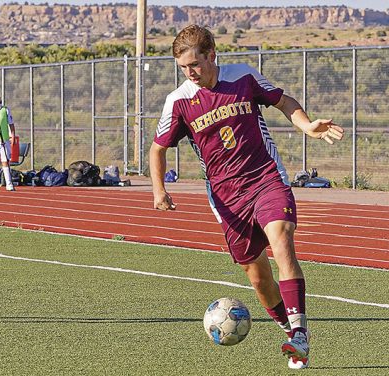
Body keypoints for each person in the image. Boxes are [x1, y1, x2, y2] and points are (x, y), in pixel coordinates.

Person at [150, 25, 344, 369]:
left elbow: (283, 101)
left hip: (266, 179)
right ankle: (288, 330)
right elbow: (158, 148)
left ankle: (299, 332)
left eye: (195, 64)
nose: (190, 73)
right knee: (258, 277)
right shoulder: (178, 101)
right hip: (227, 199)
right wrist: (159, 190)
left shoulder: (243, 77)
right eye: (183, 68)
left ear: (212, 55)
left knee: (282, 240)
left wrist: (306, 125)